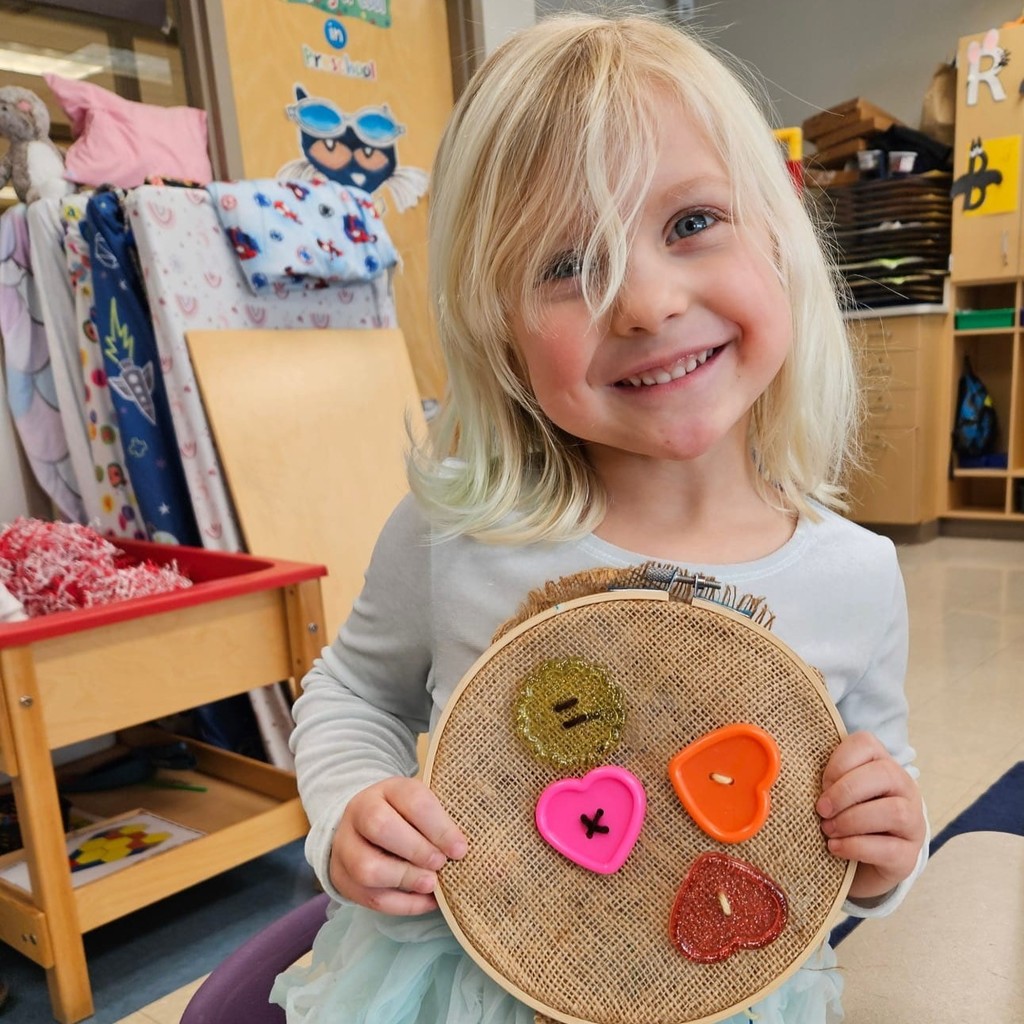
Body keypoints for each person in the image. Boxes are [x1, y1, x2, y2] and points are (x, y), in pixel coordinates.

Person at [271, 12, 928, 1024]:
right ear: (497, 328)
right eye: (565, 264)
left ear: (778, 237)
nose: (645, 302)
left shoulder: (855, 574)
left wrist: (885, 855)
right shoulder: (458, 532)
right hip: (460, 987)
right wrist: (347, 814)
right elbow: (353, 687)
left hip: (718, 982)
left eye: (690, 223)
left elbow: (871, 777)